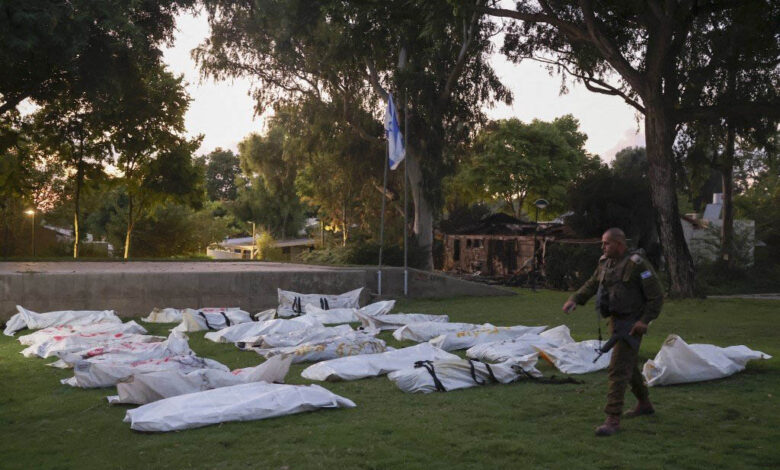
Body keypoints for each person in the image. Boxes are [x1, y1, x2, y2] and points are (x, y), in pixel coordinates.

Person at [562, 228, 664, 436]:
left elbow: (657, 297)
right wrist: (575, 299)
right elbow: (592, 284)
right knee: (628, 366)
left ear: (619, 244)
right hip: (615, 322)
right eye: (603, 243)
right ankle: (644, 404)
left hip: (632, 324)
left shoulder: (637, 264)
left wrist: (644, 321)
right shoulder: (605, 263)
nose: (603, 247)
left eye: (607, 243)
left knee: (617, 369)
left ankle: (612, 419)